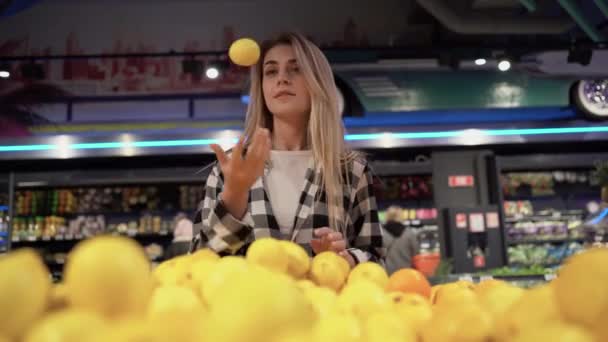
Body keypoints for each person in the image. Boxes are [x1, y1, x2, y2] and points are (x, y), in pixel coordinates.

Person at [190, 32, 384, 266]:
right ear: (261, 88)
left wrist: (346, 258)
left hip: (323, 302)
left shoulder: (351, 170)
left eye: (296, 69)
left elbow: (376, 262)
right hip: (247, 303)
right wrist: (234, 195)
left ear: (317, 82)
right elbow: (201, 263)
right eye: (271, 71)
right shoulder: (231, 167)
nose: (282, 78)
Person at [383, 206, 420, 274]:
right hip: (406, 274)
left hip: (386, 274)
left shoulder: (381, 234)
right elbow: (416, 254)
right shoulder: (409, 233)